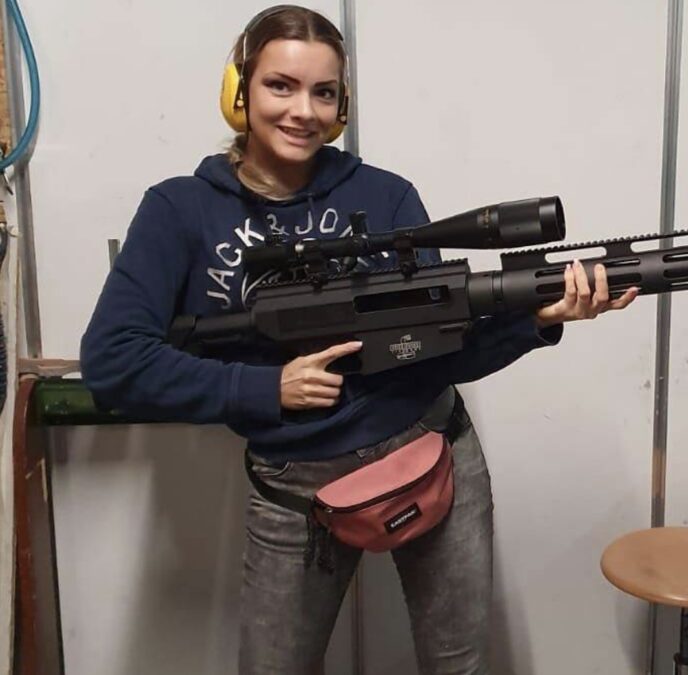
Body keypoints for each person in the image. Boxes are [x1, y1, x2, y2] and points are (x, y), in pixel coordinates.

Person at [79, 5, 636, 673]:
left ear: (341, 106)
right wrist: (266, 387)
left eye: (323, 92)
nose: (303, 111)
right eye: (280, 85)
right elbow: (114, 362)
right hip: (296, 493)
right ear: (239, 90)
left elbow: (441, 349)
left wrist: (539, 319)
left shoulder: (386, 196)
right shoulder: (181, 210)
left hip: (432, 457)